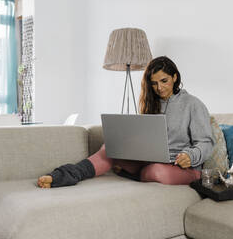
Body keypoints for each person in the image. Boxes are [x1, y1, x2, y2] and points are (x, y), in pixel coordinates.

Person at [38, 56, 214, 188]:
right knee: (110, 148)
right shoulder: (152, 103)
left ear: (175, 77)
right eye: (154, 84)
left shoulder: (193, 104)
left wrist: (190, 157)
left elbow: (206, 143)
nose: (159, 88)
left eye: (164, 81)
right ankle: (69, 174)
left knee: (156, 171)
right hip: (151, 160)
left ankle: (134, 174)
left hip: (183, 168)